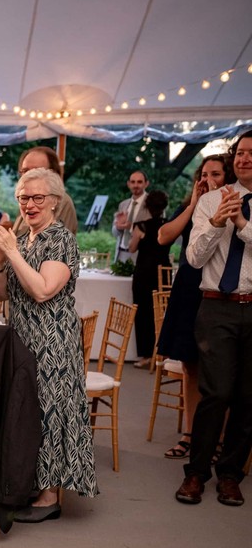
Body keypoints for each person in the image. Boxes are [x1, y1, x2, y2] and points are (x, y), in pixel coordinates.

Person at [0, 167, 96, 523]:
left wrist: (12, 253)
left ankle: (49, 498)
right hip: (22, 336)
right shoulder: (24, 238)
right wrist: (0, 262)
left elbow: (44, 291)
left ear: (55, 202)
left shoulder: (59, 239)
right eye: (23, 198)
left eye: (37, 198)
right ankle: (32, 481)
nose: (29, 205)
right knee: (28, 410)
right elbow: (2, 293)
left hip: (52, 340)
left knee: (49, 411)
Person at [175, 131, 252, 507]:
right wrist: (220, 222)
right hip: (216, 306)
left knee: (248, 396)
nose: (244, 159)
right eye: (240, 153)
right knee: (216, 391)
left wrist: (242, 224)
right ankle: (196, 473)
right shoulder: (209, 200)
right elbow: (194, 258)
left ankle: (230, 476)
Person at [156, 155, 234, 459]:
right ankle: (189, 434)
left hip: (218, 288)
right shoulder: (191, 206)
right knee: (189, 365)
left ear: (226, 178)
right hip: (188, 288)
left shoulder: (233, 204)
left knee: (218, 369)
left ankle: (218, 437)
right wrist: (193, 203)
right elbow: (164, 237)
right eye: (203, 174)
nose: (208, 179)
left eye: (215, 174)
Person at [127, 190, 171, 368]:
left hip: (145, 272)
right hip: (163, 271)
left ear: (147, 206)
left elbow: (131, 248)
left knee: (143, 313)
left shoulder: (142, 226)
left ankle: (146, 355)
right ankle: (161, 351)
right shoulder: (168, 226)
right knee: (161, 313)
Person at [14, 146, 79, 234]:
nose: (28, 175)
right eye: (25, 171)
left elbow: (52, 244)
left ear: (53, 174)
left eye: (36, 170)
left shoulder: (61, 201)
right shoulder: (26, 200)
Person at [113, 170, 150, 263]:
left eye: (139, 182)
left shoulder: (152, 204)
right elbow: (114, 233)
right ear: (128, 184)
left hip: (140, 256)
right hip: (121, 254)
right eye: (133, 182)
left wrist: (131, 227)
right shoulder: (123, 204)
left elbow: (154, 232)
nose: (136, 185)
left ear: (146, 184)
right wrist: (118, 226)